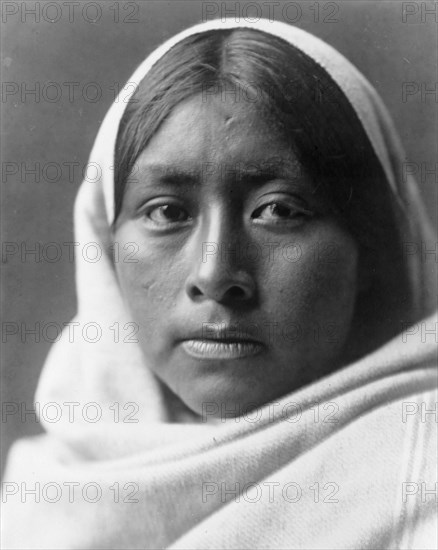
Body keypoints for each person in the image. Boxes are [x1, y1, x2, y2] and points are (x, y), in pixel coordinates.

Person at [2, 18, 436, 550]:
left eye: (278, 210)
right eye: (166, 212)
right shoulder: (45, 497)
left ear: (371, 250)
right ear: (105, 248)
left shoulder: (421, 476)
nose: (214, 276)